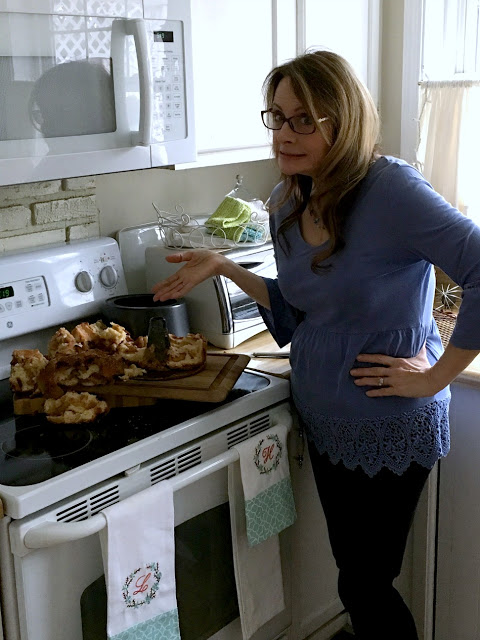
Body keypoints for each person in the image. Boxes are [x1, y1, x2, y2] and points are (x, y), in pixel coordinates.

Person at [151, 50, 480, 640]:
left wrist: (437, 376)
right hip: (322, 417)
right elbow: (301, 308)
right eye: (276, 116)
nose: (285, 134)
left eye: (305, 119)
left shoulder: (390, 190)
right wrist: (225, 265)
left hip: (388, 423)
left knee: (365, 585)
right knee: (355, 579)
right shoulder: (285, 202)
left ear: (343, 120)